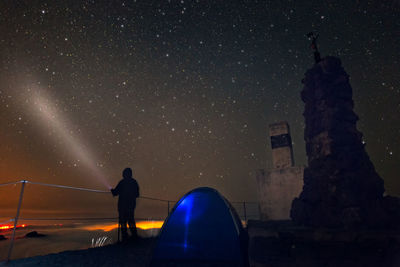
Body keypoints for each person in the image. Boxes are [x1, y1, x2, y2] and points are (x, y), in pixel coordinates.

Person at [111, 168, 140, 242]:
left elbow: (115, 192)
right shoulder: (134, 182)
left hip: (122, 206)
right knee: (131, 221)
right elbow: (137, 194)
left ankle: (125, 238)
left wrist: (112, 190)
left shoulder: (122, 182)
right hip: (131, 206)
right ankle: (134, 236)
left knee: (123, 222)